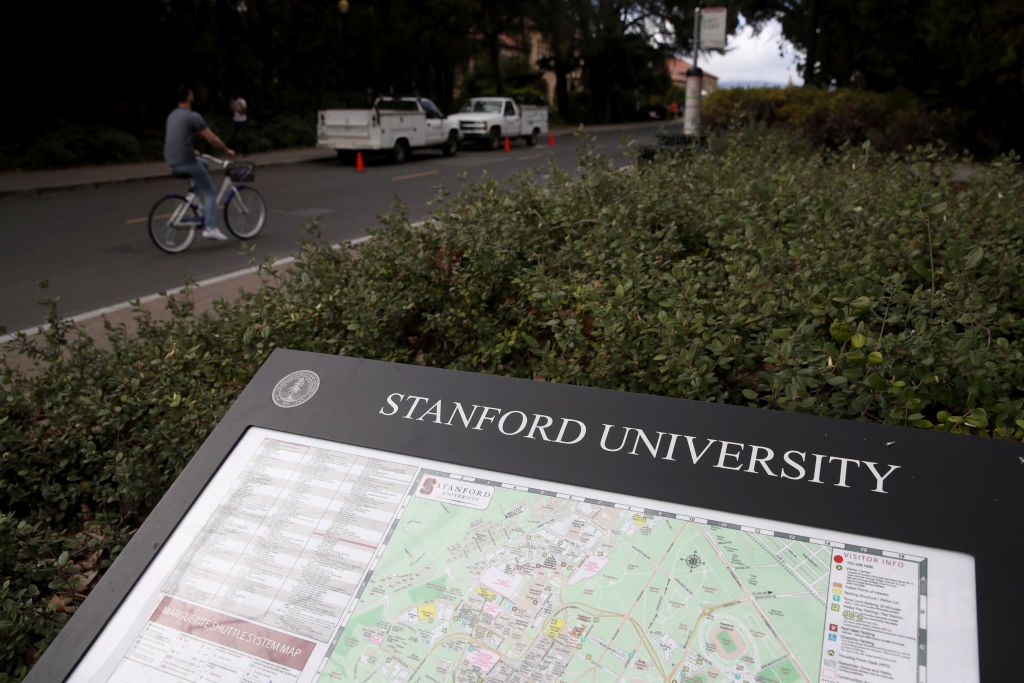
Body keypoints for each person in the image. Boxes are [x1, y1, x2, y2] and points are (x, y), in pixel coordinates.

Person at [163, 87, 234, 241]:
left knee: (204, 164)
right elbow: (212, 139)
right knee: (210, 192)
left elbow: (177, 138)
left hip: (171, 161)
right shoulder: (192, 116)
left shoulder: (172, 115)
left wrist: (193, 150)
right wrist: (226, 150)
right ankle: (210, 228)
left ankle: (195, 198)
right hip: (186, 162)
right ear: (189, 97)